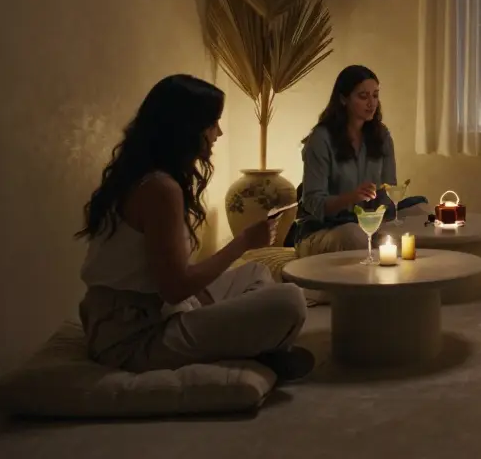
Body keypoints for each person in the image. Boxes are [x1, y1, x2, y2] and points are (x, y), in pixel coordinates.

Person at [76, 74, 313, 382]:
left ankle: (248, 344)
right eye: (212, 123)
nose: (218, 132)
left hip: (155, 310)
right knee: (290, 302)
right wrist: (242, 242)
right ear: (186, 129)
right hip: (131, 336)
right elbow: (175, 287)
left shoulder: (149, 176)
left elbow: (171, 279)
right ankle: (253, 348)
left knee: (255, 274)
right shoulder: (159, 188)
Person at [294, 65, 426, 257]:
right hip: (324, 228)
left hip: (368, 221)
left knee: (422, 213)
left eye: (375, 95)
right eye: (363, 96)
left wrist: (393, 201)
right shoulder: (321, 139)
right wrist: (351, 197)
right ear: (343, 99)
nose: (371, 103)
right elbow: (313, 204)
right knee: (355, 235)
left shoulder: (381, 135)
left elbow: (387, 191)